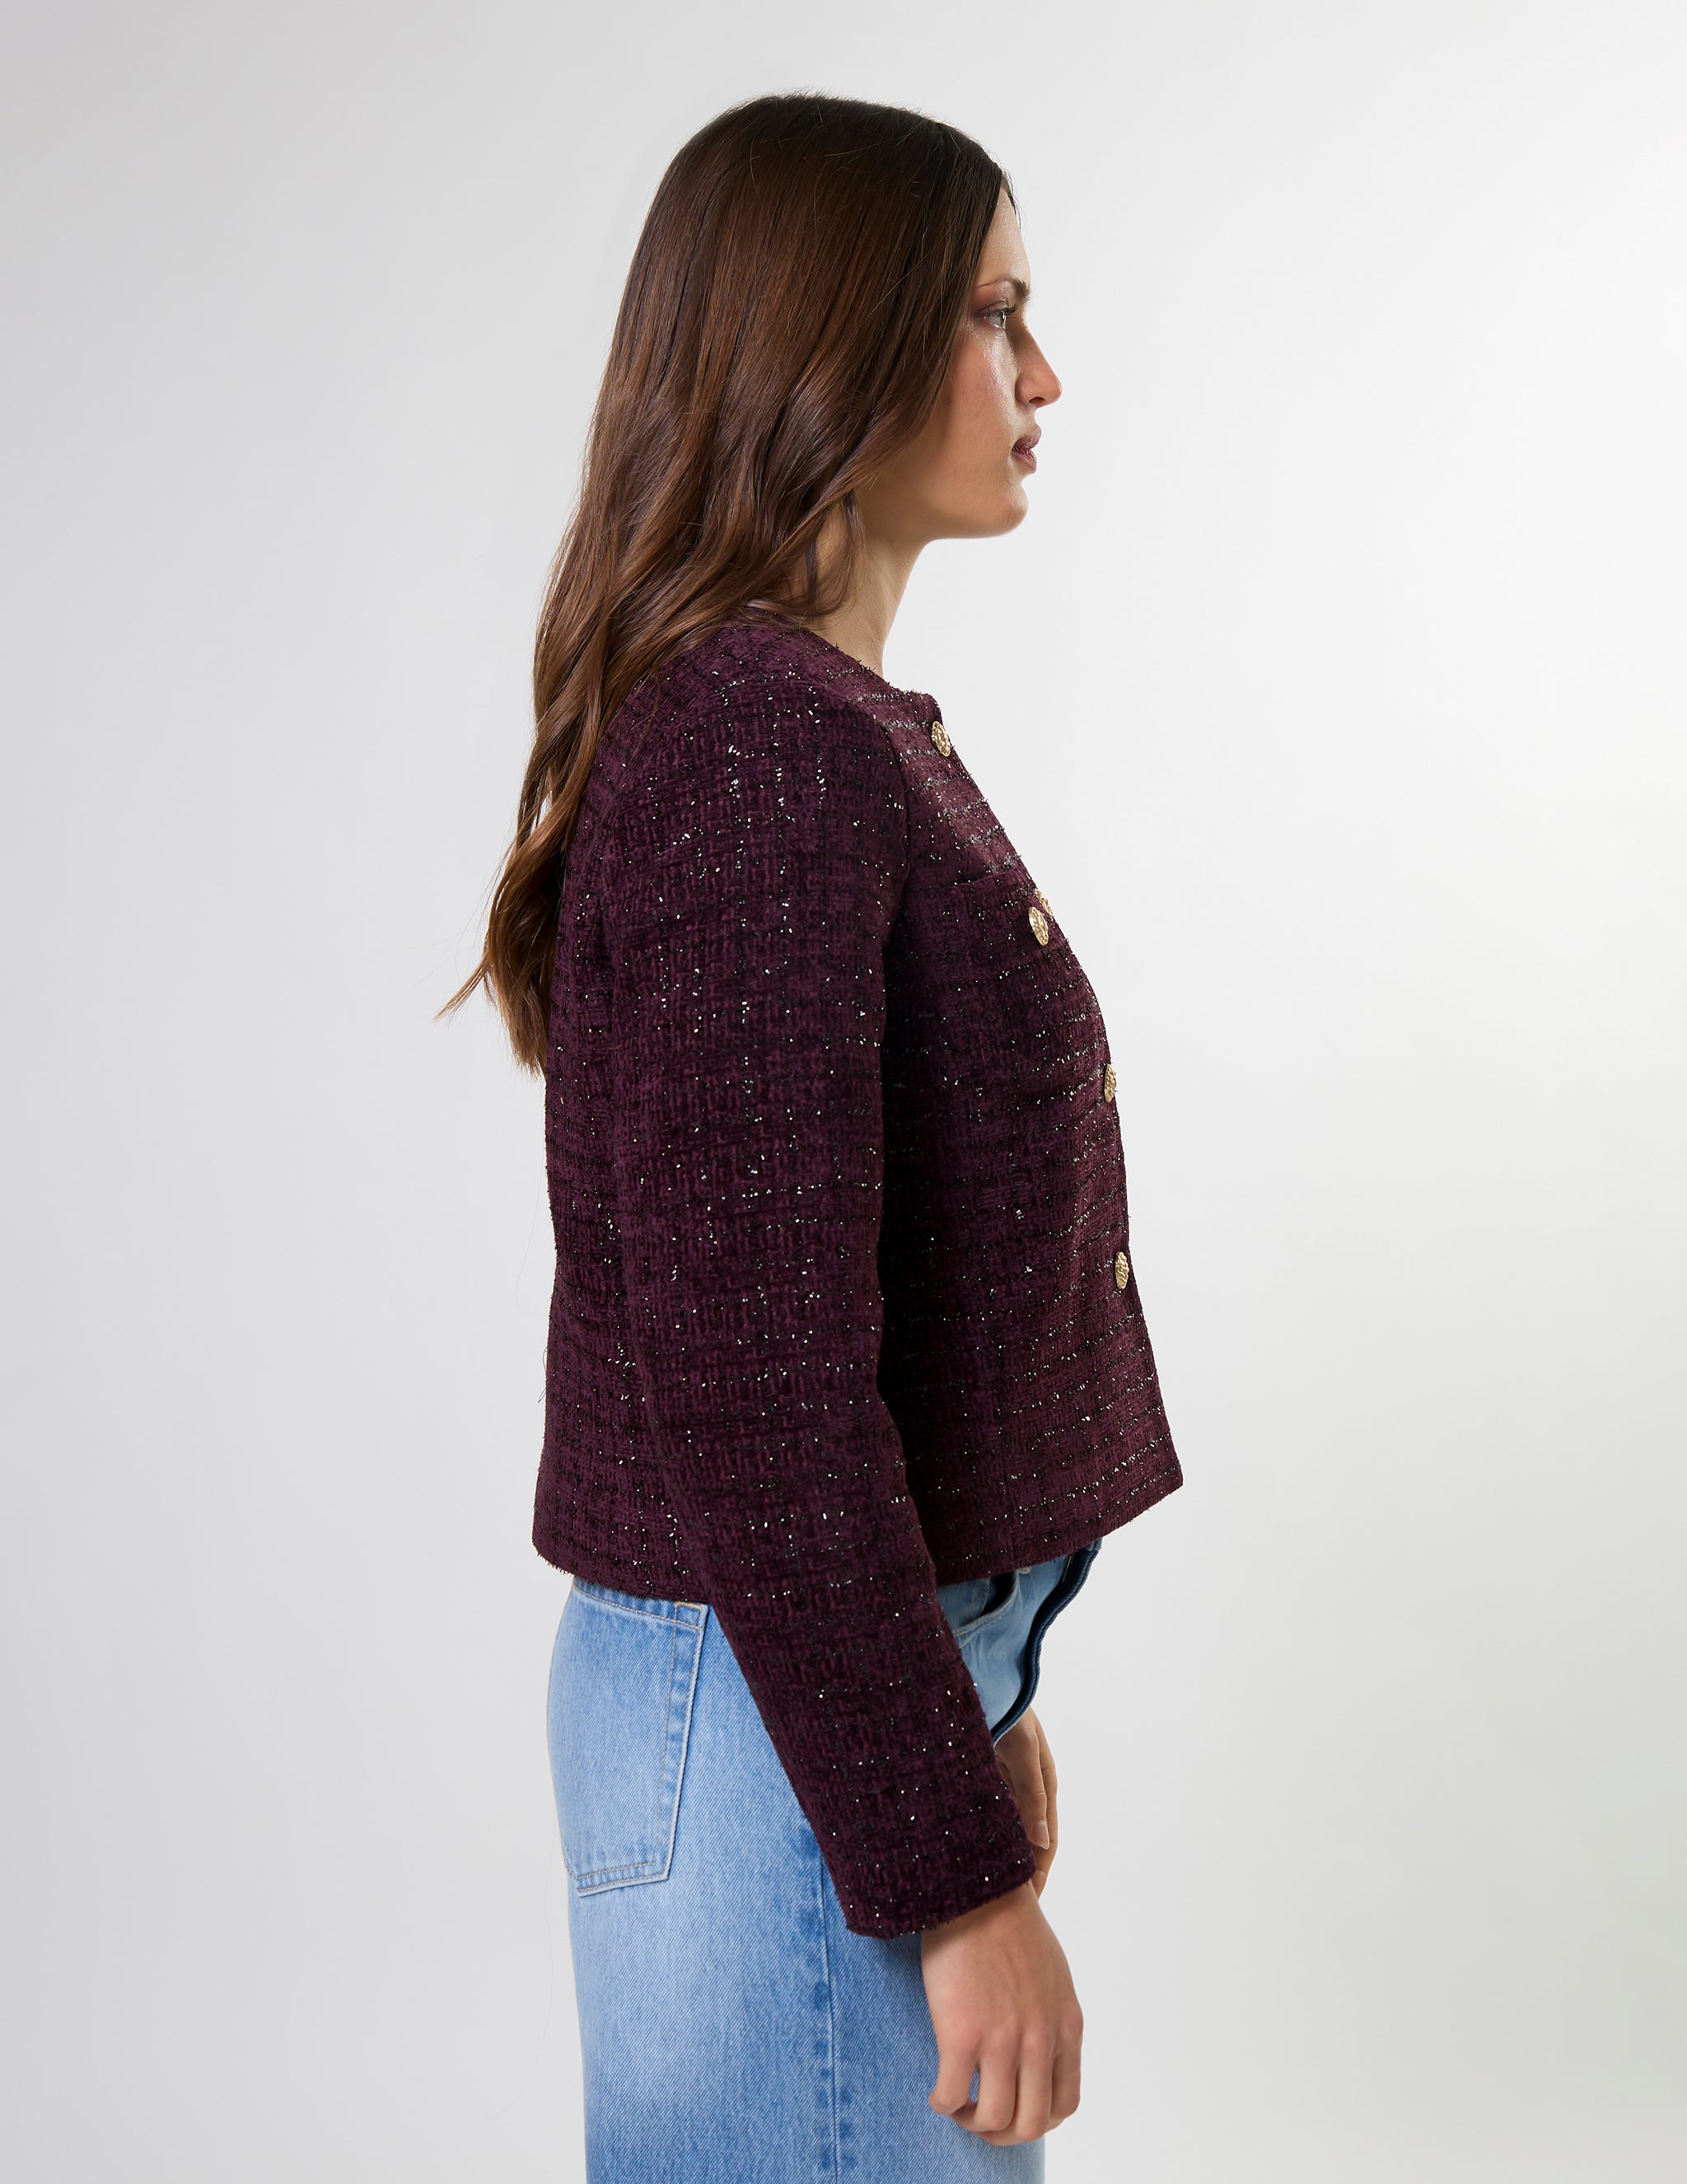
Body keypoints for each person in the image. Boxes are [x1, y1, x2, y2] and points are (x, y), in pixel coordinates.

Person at [446, 91, 1183, 2182]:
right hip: (775, 1739)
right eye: (991, 315)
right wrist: (947, 1874)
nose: (1042, 377)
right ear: (830, 351)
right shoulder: (761, 751)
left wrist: (974, 1703)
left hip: (808, 1712)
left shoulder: (790, 730)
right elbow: (760, 1393)